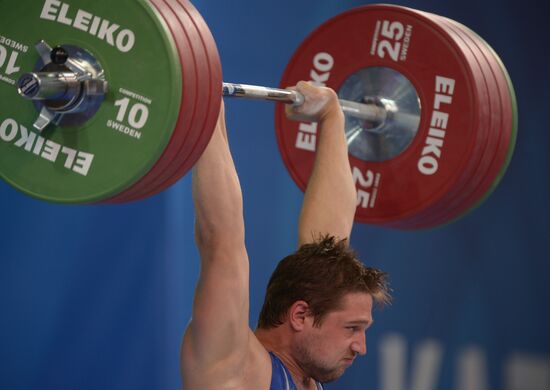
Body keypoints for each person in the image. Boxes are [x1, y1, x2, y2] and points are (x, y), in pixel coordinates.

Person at [180, 81, 391, 390]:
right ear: (300, 315)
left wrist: (332, 116)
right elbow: (222, 242)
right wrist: (205, 100)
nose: (360, 346)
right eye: (352, 328)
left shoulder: (306, 379)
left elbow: (328, 241)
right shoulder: (235, 371)